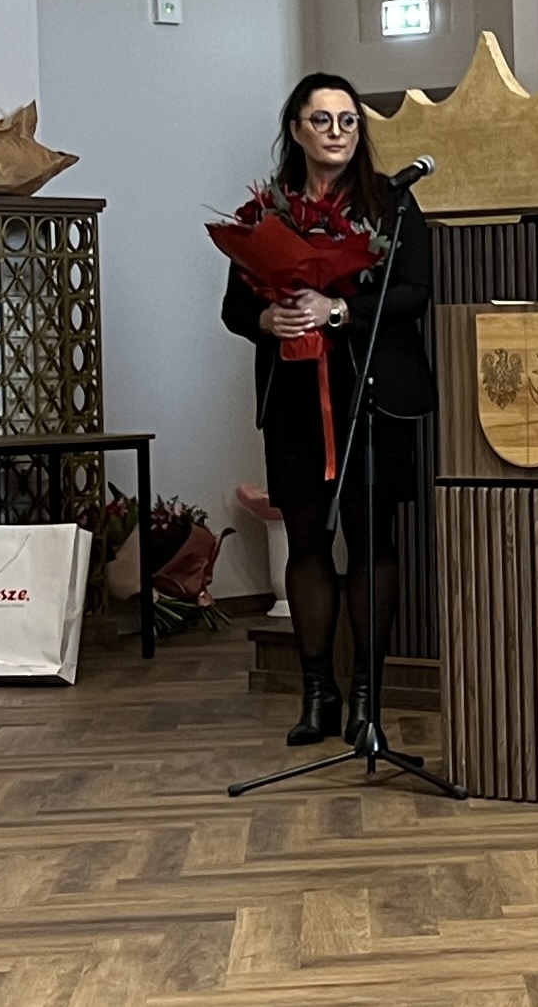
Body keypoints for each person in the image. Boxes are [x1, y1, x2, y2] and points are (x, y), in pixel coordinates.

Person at [221, 73, 434, 747]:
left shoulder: (391, 205)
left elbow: (415, 293)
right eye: (323, 120)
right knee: (306, 541)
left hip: (372, 396)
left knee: (372, 542)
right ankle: (318, 696)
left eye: (348, 121)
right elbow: (234, 309)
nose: (337, 132)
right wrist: (272, 318)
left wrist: (337, 309)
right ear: (296, 130)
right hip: (294, 398)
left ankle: (368, 700)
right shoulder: (265, 213)